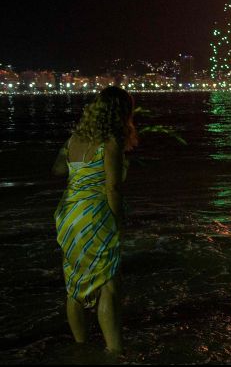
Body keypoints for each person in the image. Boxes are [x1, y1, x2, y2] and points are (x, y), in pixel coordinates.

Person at [51, 86, 137, 355]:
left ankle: (80, 348)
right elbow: (112, 188)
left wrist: (73, 163)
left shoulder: (73, 140)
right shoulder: (110, 141)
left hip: (68, 215)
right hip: (95, 214)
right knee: (107, 283)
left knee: (74, 283)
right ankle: (114, 350)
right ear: (121, 113)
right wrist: (117, 222)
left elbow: (56, 170)